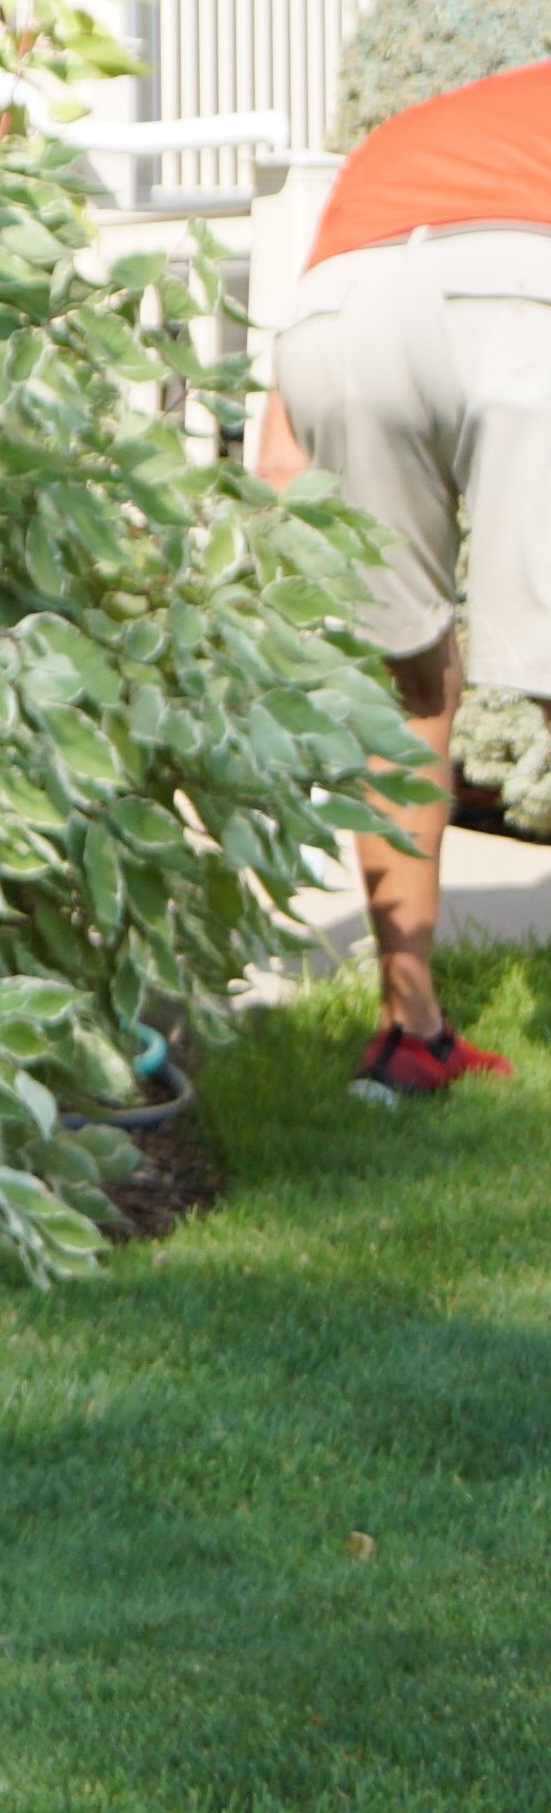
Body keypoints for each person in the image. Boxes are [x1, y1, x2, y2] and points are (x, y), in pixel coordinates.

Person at [262, 61, 551, 1098]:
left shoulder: (423, 125)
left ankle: (408, 1033)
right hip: (519, 288)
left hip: (340, 316)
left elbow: (281, 452)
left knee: (403, 676)